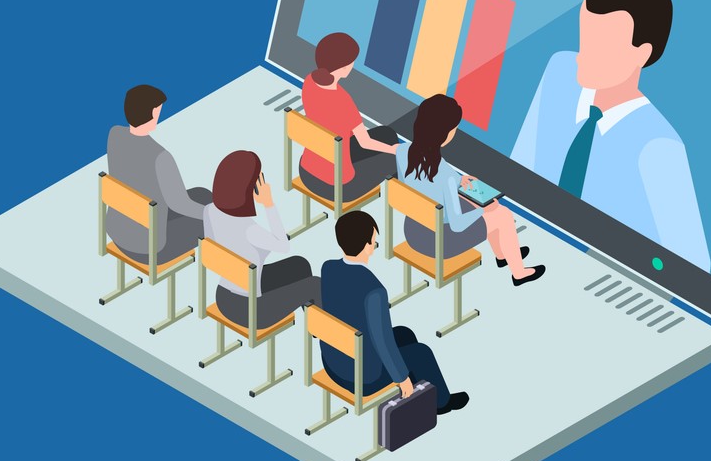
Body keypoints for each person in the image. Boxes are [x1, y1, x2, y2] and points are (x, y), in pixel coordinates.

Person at [510, 0, 711, 271]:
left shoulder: (658, 146)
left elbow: (692, 269)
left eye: (601, 46)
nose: (582, 56)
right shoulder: (560, 72)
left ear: (642, 54)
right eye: (584, 38)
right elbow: (517, 172)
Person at [320, 211, 469, 415]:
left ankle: (421, 392)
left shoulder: (328, 268)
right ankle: (441, 403)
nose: (374, 246)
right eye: (374, 241)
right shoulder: (374, 290)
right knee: (421, 352)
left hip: (334, 362)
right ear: (366, 245)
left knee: (404, 334)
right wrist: (401, 378)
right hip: (362, 377)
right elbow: (382, 341)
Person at [398, 95, 546, 286]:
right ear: (445, 134)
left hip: (414, 230)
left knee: (481, 206)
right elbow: (457, 225)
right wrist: (483, 211)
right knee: (502, 215)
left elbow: (429, 181)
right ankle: (519, 273)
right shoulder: (445, 176)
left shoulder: (403, 151)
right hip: (438, 243)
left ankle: (503, 255)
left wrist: (459, 180)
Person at [203, 150, 320, 328]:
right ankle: (327, 332)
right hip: (251, 311)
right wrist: (268, 203)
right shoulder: (249, 229)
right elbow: (283, 245)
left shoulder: (209, 210)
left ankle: (315, 324)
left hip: (224, 297)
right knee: (314, 285)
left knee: (299, 265)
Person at [106, 84, 211, 263]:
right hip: (150, 248)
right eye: (158, 110)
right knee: (211, 220)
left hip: (118, 229)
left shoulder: (114, 135)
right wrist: (212, 216)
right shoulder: (160, 157)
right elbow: (179, 204)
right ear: (152, 113)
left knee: (202, 194)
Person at [299, 32, 399, 202]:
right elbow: (365, 142)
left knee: (386, 133)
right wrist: (394, 150)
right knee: (396, 158)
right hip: (338, 187)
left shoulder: (309, 82)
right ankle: (404, 200)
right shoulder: (343, 100)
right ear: (344, 66)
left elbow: (331, 122)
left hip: (307, 171)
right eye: (352, 62)